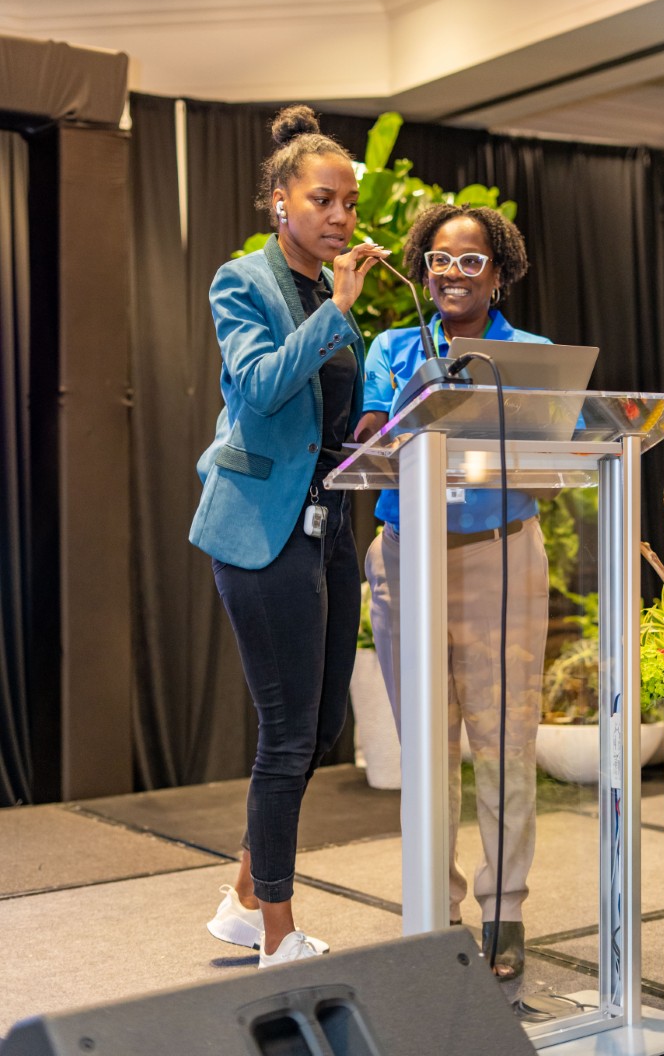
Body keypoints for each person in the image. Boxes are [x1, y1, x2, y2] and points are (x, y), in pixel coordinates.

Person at [190, 105, 389, 969]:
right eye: (322, 200)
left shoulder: (327, 297)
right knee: (285, 734)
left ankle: (243, 898)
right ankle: (277, 934)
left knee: (317, 728)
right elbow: (263, 387)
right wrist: (339, 308)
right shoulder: (244, 283)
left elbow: (325, 420)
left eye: (349, 203)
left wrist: (381, 426)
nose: (341, 216)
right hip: (262, 531)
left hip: (329, 528)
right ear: (281, 202)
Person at [355, 203, 550, 981]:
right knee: (427, 745)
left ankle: (505, 913)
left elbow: (557, 459)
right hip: (407, 555)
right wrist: (414, 404)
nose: (452, 273)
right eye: (440, 259)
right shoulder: (394, 347)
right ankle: (435, 913)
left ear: (498, 275)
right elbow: (368, 440)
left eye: (471, 261)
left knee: (505, 743)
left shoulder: (532, 356)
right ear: (423, 267)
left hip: (501, 554)